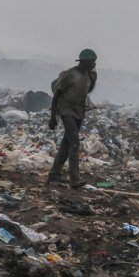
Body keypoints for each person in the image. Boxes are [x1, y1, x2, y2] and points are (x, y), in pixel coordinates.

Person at [47, 49, 98, 188]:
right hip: (66, 111)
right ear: (85, 62)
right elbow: (56, 96)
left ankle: (54, 175)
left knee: (66, 144)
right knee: (75, 143)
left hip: (79, 112)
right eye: (92, 62)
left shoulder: (90, 76)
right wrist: (53, 118)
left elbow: (87, 91)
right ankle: (75, 179)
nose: (94, 65)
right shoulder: (70, 75)